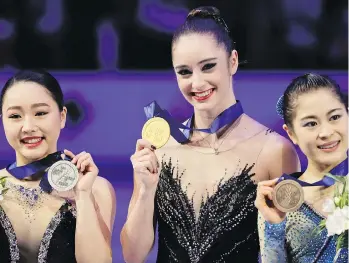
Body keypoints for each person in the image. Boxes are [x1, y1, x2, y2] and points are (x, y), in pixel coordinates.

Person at [121, 6, 300, 263]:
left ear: (232, 61)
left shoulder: (274, 150)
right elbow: (132, 255)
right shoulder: (159, 146)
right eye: (184, 72)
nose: (197, 83)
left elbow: (292, 252)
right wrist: (147, 190)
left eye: (208, 67)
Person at [0, 70, 116, 263]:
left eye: (40, 113)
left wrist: (83, 195)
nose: (28, 127)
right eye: (15, 116)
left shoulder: (96, 188)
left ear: (62, 117)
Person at [256, 73, 348, 263]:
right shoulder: (279, 201)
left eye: (335, 117)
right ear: (291, 134)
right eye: (311, 124)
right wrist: (274, 225)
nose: (326, 132)